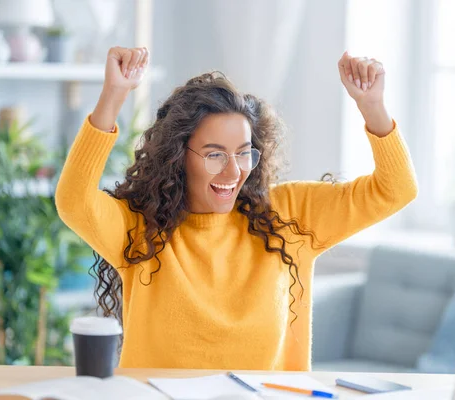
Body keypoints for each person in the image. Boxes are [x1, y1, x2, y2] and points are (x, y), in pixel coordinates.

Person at [55, 46, 418, 370]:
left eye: (244, 153)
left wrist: (372, 107)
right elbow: (74, 200)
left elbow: (396, 189)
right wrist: (113, 95)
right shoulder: (139, 229)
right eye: (215, 155)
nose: (234, 171)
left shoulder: (289, 216)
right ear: (178, 157)